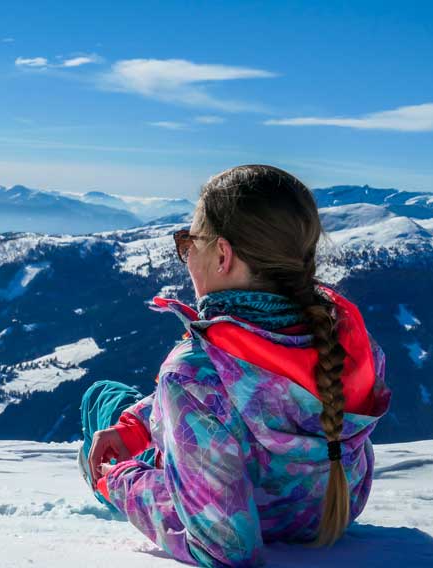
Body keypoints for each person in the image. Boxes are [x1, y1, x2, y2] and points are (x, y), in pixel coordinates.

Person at [76, 165, 392, 567]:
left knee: (101, 397)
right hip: (332, 513)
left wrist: (116, 478)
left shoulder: (193, 375)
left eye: (188, 242)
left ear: (223, 254)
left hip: (239, 516)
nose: (186, 253)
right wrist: (136, 427)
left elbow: (222, 547)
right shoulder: (348, 343)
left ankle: (99, 462)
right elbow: (256, 398)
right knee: (125, 410)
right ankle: (131, 422)